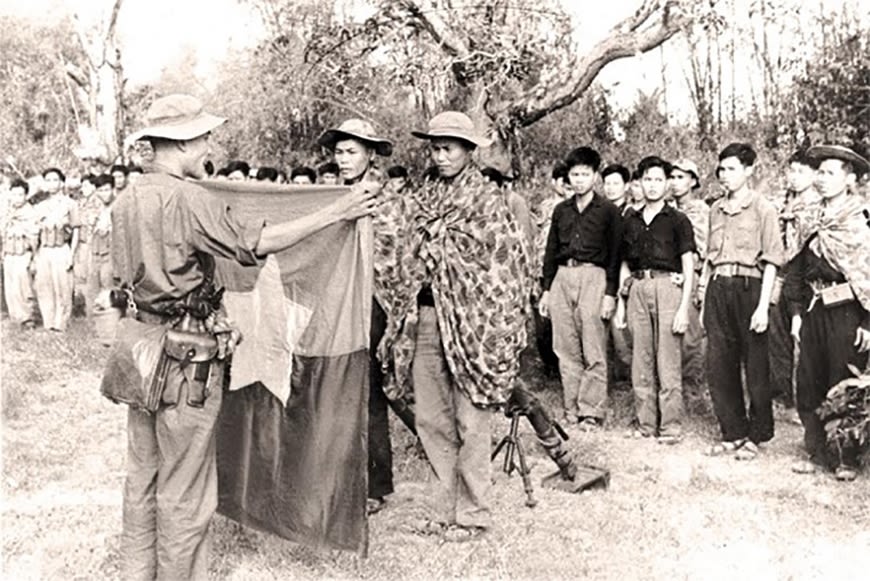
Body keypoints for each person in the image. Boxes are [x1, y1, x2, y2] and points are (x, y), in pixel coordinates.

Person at [115, 94, 379, 580]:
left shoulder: (127, 198)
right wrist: (335, 212)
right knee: (185, 491)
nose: (207, 147)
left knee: (142, 479)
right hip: (185, 359)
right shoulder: (189, 198)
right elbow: (256, 242)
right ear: (182, 142)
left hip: (140, 351)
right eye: (203, 138)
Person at [381, 111, 528, 541]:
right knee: (431, 418)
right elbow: (400, 248)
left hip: (472, 324)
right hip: (426, 316)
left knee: (471, 418)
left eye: (448, 149)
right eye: (435, 148)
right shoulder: (421, 197)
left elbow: (504, 266)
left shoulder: (486, 200)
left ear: (468, 151)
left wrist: (490, 316)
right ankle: (442, 509)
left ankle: (474, 514)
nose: (440, 156)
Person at [317, 118, 414, 515]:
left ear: (370, 154)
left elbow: (395, 254)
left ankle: (375, 484)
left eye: (351, 152)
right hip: (337, 304)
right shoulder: (332, 196)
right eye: (339, 152)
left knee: (369, 393)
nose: (343, 159)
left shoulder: (387, 199)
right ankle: (339, 476)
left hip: (374, 305)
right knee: (336, 389)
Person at [785, 145, 870, 481]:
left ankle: (845, 457)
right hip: (813, 309)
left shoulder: (862, 222)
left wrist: (868, 322)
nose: (821, 179)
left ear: (849, 180)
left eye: (830, 173)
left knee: (843, 381)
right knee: (810, 379)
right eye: (819, 172)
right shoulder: (810, 218)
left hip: (848, 313)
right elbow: (795, 270)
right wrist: (795, 313)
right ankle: (816, 450)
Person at [699, 143, 784, 460]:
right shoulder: (715, 209)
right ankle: (732, 431)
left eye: (732, 169)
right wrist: (703, 298)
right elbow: (709, 259)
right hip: (718, 288)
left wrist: (763, 307)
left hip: (750, 288)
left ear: (749, 170)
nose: (724, 175)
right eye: (721, 169)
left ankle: (757, 434)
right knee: (719, 364)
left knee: (756, 364)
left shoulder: (763, 208)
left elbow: (772, 260)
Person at [539, 146, 623, 429]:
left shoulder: (609, 211)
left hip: (593, 276)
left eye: (585, 174)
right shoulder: (561, 211)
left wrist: (610, 293)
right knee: (565, 346)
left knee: (593, 344)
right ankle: (571, 408)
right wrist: (547, 289)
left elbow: (615, 256)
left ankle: (592, 412)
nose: (579, 180)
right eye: (574, 175)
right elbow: (550, 251)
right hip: (563, 276)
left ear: (595, 176)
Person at [615, 156, 695, 443]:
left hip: (667, 288)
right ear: (639, 182)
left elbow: (688, 265)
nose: (652, 185)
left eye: (658, 180)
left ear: (667, 184)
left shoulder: (678, 220)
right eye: (647, 179)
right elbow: (624, 263)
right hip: (638, 287)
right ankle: (645, 424)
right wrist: (622, 303)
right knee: (641, 358)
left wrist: (683, 307)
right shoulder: (630, 220)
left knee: (667, 359)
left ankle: (671, 426)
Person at [769, 150, 820, 415]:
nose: (795, 177)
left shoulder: (819, 205)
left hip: (807, 279)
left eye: (802, 172)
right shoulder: (782, 203)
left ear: (814, 175)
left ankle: (809, 401)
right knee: (777, 337)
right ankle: (782, 397)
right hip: (781, 275)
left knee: (806, 338)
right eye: (792, 170)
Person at [668, 158, 709, 403]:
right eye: (672, 177)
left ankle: (692, 387)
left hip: (690, 275)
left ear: (693, 181)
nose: (675, 183)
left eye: (681, 177)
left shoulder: (700, 210)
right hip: (668, 276)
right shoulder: (666, 208)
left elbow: (702, 248)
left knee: (691, 335)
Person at [530, 163, 569, 378]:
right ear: (554, 182)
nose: (565, 184)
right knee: (543, 320)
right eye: (561, 180)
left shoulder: (572, 207)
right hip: (540, 270)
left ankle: (563, 364)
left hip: (560, 269)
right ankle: (549, 365)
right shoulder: (545, 207)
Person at [33, 167, 80, 331]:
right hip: (45, 249)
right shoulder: (40, 206)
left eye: (55, 180)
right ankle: (49, 323)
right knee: (44, 287)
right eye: (48, 180)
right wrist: (36, 255)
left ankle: (61, 324)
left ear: (62, 183)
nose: (52, 184)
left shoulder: (70, 204)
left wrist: (71, 255)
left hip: (61, 249)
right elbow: (36, 233)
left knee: (63, 287)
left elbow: (76, 230)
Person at [601, 163, 633, 386]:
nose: (611, 188)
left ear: (626, 186)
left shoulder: (630, 214)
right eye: (607, 183)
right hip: (600, 272)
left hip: (623, 270)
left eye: (616, 183)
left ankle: (626, 375)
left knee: (620, 324)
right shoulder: (601, 212)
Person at [2, 178, 40, 328]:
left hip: (23, 253)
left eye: (20, 195)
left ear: (26, 196)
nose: (17, 198)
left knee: (23, 286)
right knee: (10, 286)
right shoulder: (7, 212)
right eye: (14, 194)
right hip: (9, 253)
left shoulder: (30, 213)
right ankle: (15, 317)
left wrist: (34, 256)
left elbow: (34, 236)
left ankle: (27, 317)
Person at [86, 174, 115, 312]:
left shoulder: (118, 207)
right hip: (95, 251)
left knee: (108, 285)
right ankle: (94, 320)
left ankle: (112, 319)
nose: (104, 194)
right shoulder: (95, 208)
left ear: (113, 189)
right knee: (93, 287)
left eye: (107, 190)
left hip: (111, 251)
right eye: (101, 190)